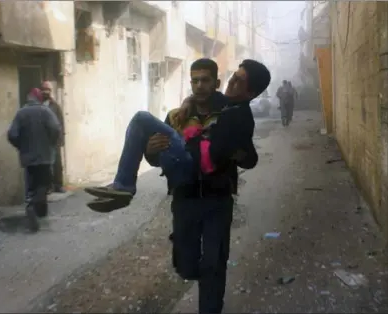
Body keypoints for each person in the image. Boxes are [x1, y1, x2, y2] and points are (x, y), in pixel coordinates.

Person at [87, 58, 271, 313]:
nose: (199, 85)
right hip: (185, 198)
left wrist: (237, 153)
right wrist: (150, 151)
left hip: (217, 199)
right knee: (186, 265)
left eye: (206, 80)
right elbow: (159, 156)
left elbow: (249, 155)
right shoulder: (178, 115)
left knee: (214, 264)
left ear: (215, 83)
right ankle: (124, 187)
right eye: (195, 80)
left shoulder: (231, 110)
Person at [7, 88, 61, 232]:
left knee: (32, 185)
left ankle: (36, 210)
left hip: (28, 158)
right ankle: (35, 207)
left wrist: (21, 146)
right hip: (45, 156)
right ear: (39, 98)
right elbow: (56, 128)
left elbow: (12, 134)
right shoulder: (45, 111)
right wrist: (51, 143)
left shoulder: (20, 113)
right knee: (44, 184)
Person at [40, 81, 66, 193]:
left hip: (54, 140)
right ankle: (48, 186)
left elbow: (60, 123)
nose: (46, 91)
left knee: (57, 164)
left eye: (48, 89)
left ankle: (58, 185)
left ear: (50, 91)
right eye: (44, 89)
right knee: (46, 165)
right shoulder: (39, 105)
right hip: (43, 141)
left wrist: (61, 139)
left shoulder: (55, 106)